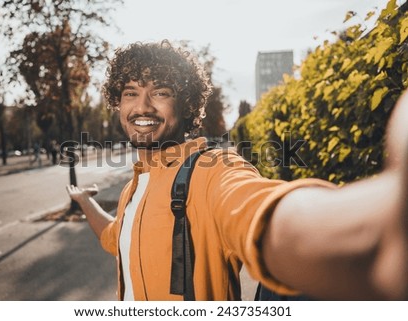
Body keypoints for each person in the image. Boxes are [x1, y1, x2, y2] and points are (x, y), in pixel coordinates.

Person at [66, 40, 408, 301]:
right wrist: (83, 201)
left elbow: (262, 212)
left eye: (160, 92)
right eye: (130, 92)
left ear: (187, 107)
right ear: (118, 102)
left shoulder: (213, 171)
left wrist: (377, 230)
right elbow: (115, 237)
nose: (142, 106)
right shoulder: (133, 189)